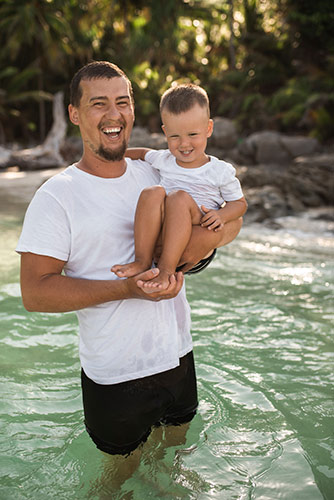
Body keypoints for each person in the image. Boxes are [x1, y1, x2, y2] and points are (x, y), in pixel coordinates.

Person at [16, 61, 242, 462]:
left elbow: (228, 223)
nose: (113, 114)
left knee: (176, 464)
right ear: (74, 114)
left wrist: (199, 250)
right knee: (117, 482)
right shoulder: (57, 195)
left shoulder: (156, 170)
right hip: (115, 374)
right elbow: (35, 293)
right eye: (98, 104)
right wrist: (125, 288)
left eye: (122, 102)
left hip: (177, 354)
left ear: (134, 111)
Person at [112, 83, 247, 290]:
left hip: (197, 222)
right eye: (175, 137)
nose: (184, 144)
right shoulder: (164, 159)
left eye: (193, 135)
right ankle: (142, 260)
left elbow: (239, 204)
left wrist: (222, 216)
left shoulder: (219, 170)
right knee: (153, 192)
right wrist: (115, 155)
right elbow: (141, 153)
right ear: (165, 132)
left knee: (178, 198)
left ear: (208, 129)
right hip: (168, 223)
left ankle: (165, 271)